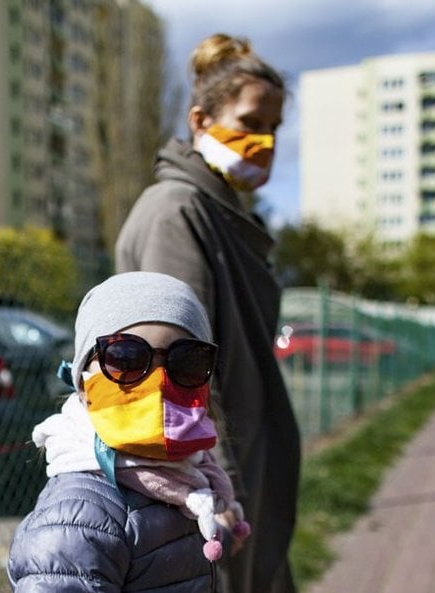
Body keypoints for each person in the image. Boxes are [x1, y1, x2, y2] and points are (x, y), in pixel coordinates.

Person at [114, 33, 300, 593]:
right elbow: (177, 372)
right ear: (200, 121)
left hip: (236, 469)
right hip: (213, 487)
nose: (263, 141)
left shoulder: (220, 212)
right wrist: (220, 492)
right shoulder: (178, 212)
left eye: (273, 127)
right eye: (248, 123)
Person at [8, 271, 251, 592]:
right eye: (125, 356)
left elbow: (163, 547)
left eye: (187, 361)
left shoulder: (184, 479)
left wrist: (216, 526)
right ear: (82, 379)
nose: (159, 382)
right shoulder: (77, 522)